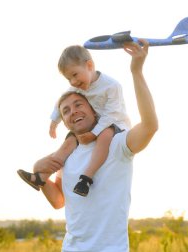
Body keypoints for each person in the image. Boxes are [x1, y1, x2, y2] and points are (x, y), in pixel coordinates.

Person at [33, 39, 157, 251]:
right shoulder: (67, 156)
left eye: (78, 104)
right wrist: (39, 173)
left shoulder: (117, 144)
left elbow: (149, 125)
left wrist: (136, 71)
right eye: (66, 111)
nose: (74, 112)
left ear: (92, 110)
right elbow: (59, 201)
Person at [17, 44, 131, 196]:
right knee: (70, 140)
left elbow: (111, 116)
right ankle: (41, 177)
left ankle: (86, 178)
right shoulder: (78, 86)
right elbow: (61, 101)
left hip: (115, 124)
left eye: (75, 75)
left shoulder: (111, 86)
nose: (73, 82)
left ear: (89, 66)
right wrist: (54, 122)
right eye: (68, 78)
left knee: (105, 135)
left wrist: (94, 133)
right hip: (95, 124)